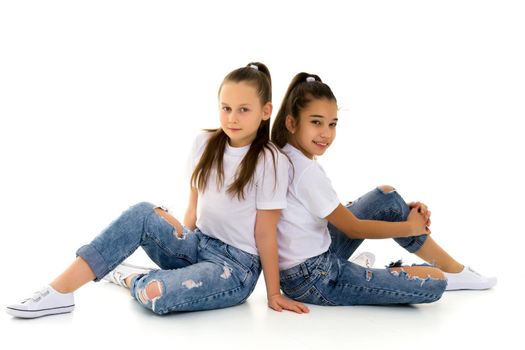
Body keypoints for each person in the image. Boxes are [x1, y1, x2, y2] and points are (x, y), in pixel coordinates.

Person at [6, 62, 308, 318]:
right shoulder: (204, 143)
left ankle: (132, 277)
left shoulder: (271, 161)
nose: (232, 118)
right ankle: (58, 291)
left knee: (155, 294)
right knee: (141, 212)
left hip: (235, 267)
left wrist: (272, 293)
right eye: (226, 108)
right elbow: (194, 205)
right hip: (199, 244)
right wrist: (182, 239)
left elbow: (266, 234)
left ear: (265, 111)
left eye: (244, 110)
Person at [270, 72, 496, 306]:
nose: (326, 133)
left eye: (332, 124)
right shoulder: (305, 172)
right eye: (316, 122)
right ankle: (441, 273)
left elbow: (312, 211)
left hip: (303, 266)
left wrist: (405, 220)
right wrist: (409, 226)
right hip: (316, 279)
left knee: (386, 196)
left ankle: (453, 270)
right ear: (291, 122)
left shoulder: (286, 154)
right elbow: (353, 229)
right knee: (435, 282)